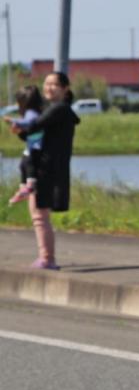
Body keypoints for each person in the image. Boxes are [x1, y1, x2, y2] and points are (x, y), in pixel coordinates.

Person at [8, 72, 80, 270]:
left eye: (54, 84)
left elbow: (35, 126)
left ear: (65, 89)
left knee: (40, 215)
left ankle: (47, 258)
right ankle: (46, 257)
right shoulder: (53, 110)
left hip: (47, 168)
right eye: (46, 84)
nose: (49, 87)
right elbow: (34, 136)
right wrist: (21, 132)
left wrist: (19, 125)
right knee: (38, 215)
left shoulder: (59, 109)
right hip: (43, 167)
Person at [5, 85, 45, 206]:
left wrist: (14, 121)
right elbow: (27, 132)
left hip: (38, 146)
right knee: (23, 164)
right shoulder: (33, 112)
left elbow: (29, 122)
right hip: (33, 144)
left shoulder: (31, 112)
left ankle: (30, 186)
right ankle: (23, 188)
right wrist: (19, 131)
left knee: (29, 162)